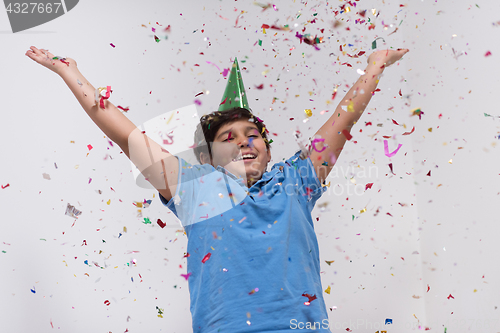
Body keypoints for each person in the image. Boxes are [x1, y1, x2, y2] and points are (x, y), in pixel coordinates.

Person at [26, 46, 408, 332]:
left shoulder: (296, 179)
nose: (244, 142)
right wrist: (69, 72)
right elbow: (125, 133)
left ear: (267, 148)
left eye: (253, 135)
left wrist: (374, 66)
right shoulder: (195, 188)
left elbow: (343, 120)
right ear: (208, 157)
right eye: (229, 137)